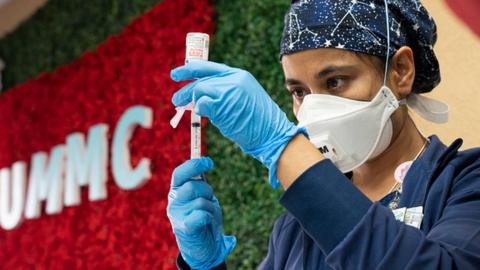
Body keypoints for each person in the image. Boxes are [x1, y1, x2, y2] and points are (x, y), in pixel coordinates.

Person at [166, 0, 480, 269]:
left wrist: (282, 147)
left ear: (400, 71)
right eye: (299, 91)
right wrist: (205, 266)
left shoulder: (466, 184)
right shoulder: (296, 229)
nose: (315, 108)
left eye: (335, 82)